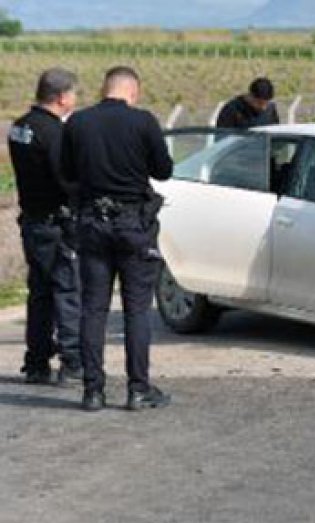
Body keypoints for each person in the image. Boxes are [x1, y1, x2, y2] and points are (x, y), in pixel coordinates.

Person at [61, 66, 173, 412]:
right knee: (136, 309)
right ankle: (138, 389)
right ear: (133, 91)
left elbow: (66, 173)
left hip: (93, 222)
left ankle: (92, 391)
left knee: (93, 308)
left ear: (103, 89)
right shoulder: (144, 122)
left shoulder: (78, 123)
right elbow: (163, 170)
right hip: (133, 225)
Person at [8, 68, 82, 385]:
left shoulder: (19, 127)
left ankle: (37, 362)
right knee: (67, 291)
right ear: (62, 96)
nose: (76, 100)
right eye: (74, 94)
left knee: (39, 294)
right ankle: (71, 363)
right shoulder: (53, 132)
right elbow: (64, 178)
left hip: (32, 221)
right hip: (56, 223)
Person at [215, 77, 280, 129]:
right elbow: (222, 138)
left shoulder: (270, 110)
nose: (263, 108)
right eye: (260, 103)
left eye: (266, 103)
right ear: (250, 96)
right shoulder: (231, 110)